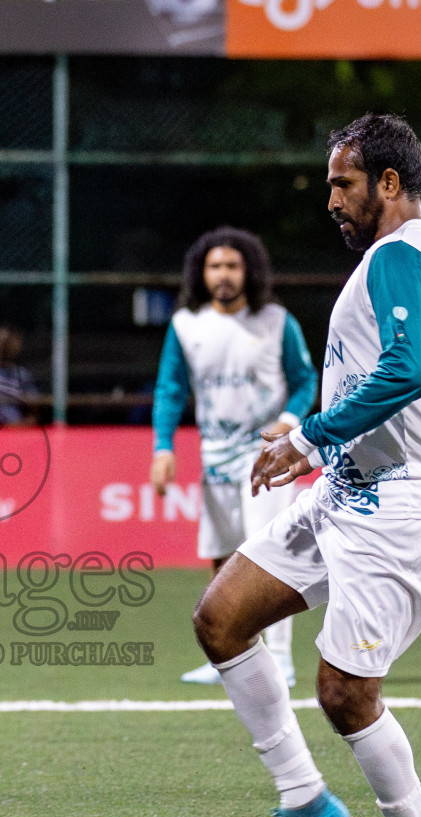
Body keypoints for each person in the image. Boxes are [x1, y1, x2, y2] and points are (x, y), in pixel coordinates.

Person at [190, 114, 421, 817]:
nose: (332, 200)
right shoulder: (387, 261)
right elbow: (372, 374)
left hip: (400, 506)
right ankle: (305, 801)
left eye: (343, 184)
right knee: (223, 617)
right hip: (348, 491)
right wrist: (312, 429)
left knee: (345, 691)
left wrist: (309, 438)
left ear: (387, 183)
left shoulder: (401, 255)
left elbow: (408, 374)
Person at [151, 228, 316, 687]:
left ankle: (279, 657)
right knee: (223, 558)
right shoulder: (187, 324)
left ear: (249, 271)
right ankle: (233, 653)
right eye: (215, 266)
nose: (224, 275)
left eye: (232, 266)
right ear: (201, 274)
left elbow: (305, 379)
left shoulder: (276, 321)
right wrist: (163, 447)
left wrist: (286, 422)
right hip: (214, 456)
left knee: (269, 551)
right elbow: (170, 388)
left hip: (266, 455)